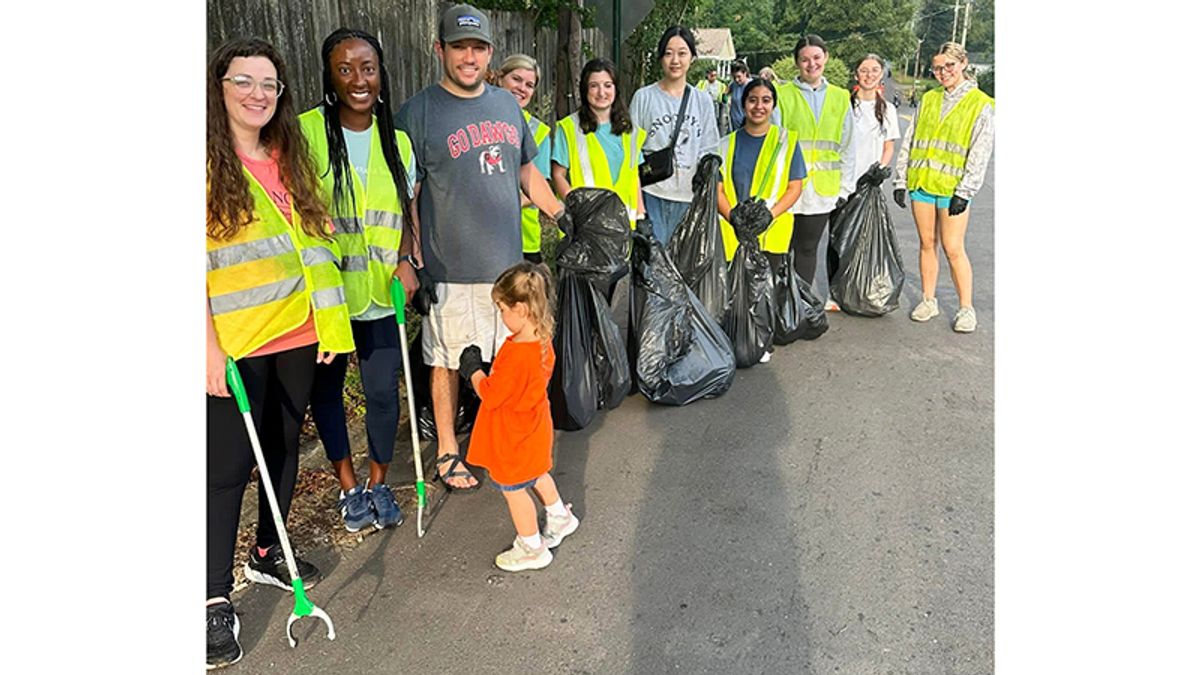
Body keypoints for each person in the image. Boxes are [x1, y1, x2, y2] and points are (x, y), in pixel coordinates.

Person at [206, 37, 354, 669]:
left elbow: (315, 248)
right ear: (219, 88)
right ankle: (211, 598)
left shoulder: (290, 158)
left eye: (269, 85)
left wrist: (330, 325)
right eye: (245, 82)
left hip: (299, 333)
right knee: (227, 468)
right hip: (237, 341)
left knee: (285, 446)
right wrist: (205, 349)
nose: (258, 95)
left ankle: (269, 552)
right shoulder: (201, 165)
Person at [393, 3, 567, 491]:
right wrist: (410, 258)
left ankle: (501, 444)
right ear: (440, 50)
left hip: (509, 270)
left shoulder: (507, 106)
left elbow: (527, 171)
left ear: (489, 53)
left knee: (511, 363)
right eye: (459, 47)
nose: (468, 57)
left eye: (478, 47)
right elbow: (406, 192)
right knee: (449, 361)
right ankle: (448, 450)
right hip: (450, 269)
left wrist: (562, 215)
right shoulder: (418, 114)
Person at [298, 28, 417, 533]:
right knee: (325, 394)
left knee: (384, 395)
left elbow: (408, 210)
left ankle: (378, 482)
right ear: (330, 76)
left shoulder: (399, 141)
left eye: (367, 68)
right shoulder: (304, 132)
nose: (358, 79)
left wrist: (410, 258)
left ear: (381, 74)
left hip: (380, 296)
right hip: (328, 295)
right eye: (345, 69)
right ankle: (349, 489)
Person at [457, 262, 580, 571]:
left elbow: (491, 393)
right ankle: (559, 516)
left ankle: (531, 546)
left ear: (521, 309)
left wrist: (472, 370)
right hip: (534, 427)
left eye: (502, 310)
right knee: (538, 471)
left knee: (514, 490)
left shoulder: (516, 355)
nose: (501, 317)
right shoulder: (540, 340)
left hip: (512, 435)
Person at [893, 42, 994, 333]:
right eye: (937, 67)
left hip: (953, 189)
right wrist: (901, 179)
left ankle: (966, 308)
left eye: (949, 65)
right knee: (927, 244)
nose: (943, 72)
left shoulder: (981, 104)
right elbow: (911, 139)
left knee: (953, 248)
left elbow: (980, 151)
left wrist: (967, 191)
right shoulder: (928, 99)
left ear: (963, 63)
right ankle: (928, 299)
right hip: (922, 183)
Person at [715, 77, 807, 363]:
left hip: (772, 229)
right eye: (753, 100)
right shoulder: (725, 144)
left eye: (766, 100)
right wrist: (734, 218)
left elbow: (795, 186)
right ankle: (736, 337)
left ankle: (762, 340)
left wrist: (770, 215)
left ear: (773, 105)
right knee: (736, 287)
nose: (759, 106)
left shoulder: (786, 141)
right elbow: (717, 189)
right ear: (743, 104)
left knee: (766, 288)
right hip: (735, 231)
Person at [770, 34, 855, 295]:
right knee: (778, 248)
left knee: (807, 249)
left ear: (826, 58)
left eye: (816, 58)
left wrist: (845, 189)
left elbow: (848, 145)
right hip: (787, 188)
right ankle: (777, 304)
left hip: (822, 190)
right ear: (797, 63)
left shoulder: (841, 97)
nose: (811, 64)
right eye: (805, 59)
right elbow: (773, 143)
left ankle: (801, 305)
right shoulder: (782, 95)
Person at [825, 53, 901, 311]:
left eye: (874, 70)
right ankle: (835, 292)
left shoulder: (887, 109)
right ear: (856, 74)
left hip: (869, 183)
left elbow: (888, 146)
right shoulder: (846, 104)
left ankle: (863, 291)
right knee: (838, 238)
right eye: (863, 70)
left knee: (864, 239)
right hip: (843, 182)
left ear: (881, 74)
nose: (869, 75)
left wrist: (880, 170)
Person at [630, 25, 720, 245]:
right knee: (654, 269)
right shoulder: (644, 98)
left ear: (692, 57)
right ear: (660, 57)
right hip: (653, 194)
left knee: (682, 270)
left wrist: (707, 173)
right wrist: (638, 209)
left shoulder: (702, 101)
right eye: (669, 53)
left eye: (682, 53)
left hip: (689, 197)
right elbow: (630, 154)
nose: (675, 60)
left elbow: (710, 147)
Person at [551, 58, 647, 228]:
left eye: (608, 85)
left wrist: (641, 216)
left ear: (616, 89)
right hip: (586, 226)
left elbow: (634, 177)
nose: (601, 92)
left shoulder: (630, 130)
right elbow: (558, 175)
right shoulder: (569, 128)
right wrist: (577, 205)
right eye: (594, 86)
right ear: (585, 90)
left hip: (624, 228)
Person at [493, 54, 555, 264]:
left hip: (523, 239)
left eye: (529, 85)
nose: (522, 88)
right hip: (482, 237)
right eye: (516, 79)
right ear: (500, 78)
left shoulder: (539, 131)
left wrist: (501, 205)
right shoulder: (478, 119)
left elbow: (540, 185)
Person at [697, 66, 729, 133]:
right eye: (712, 75)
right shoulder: (702, 84)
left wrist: (725, 98)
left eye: (715, 75)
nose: (713, 77)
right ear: (707, 75)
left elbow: (725, 96)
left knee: (716, 123)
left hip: (717, 106)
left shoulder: (720, 85)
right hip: (704, 106)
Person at [727, 61, 752, 130]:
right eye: (734, 77)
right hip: (733, 123)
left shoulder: (751, 86)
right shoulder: (734, 84)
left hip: (746, 124)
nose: (737, 80)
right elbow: (725, 93)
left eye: (739, 77)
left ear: (745, 73)